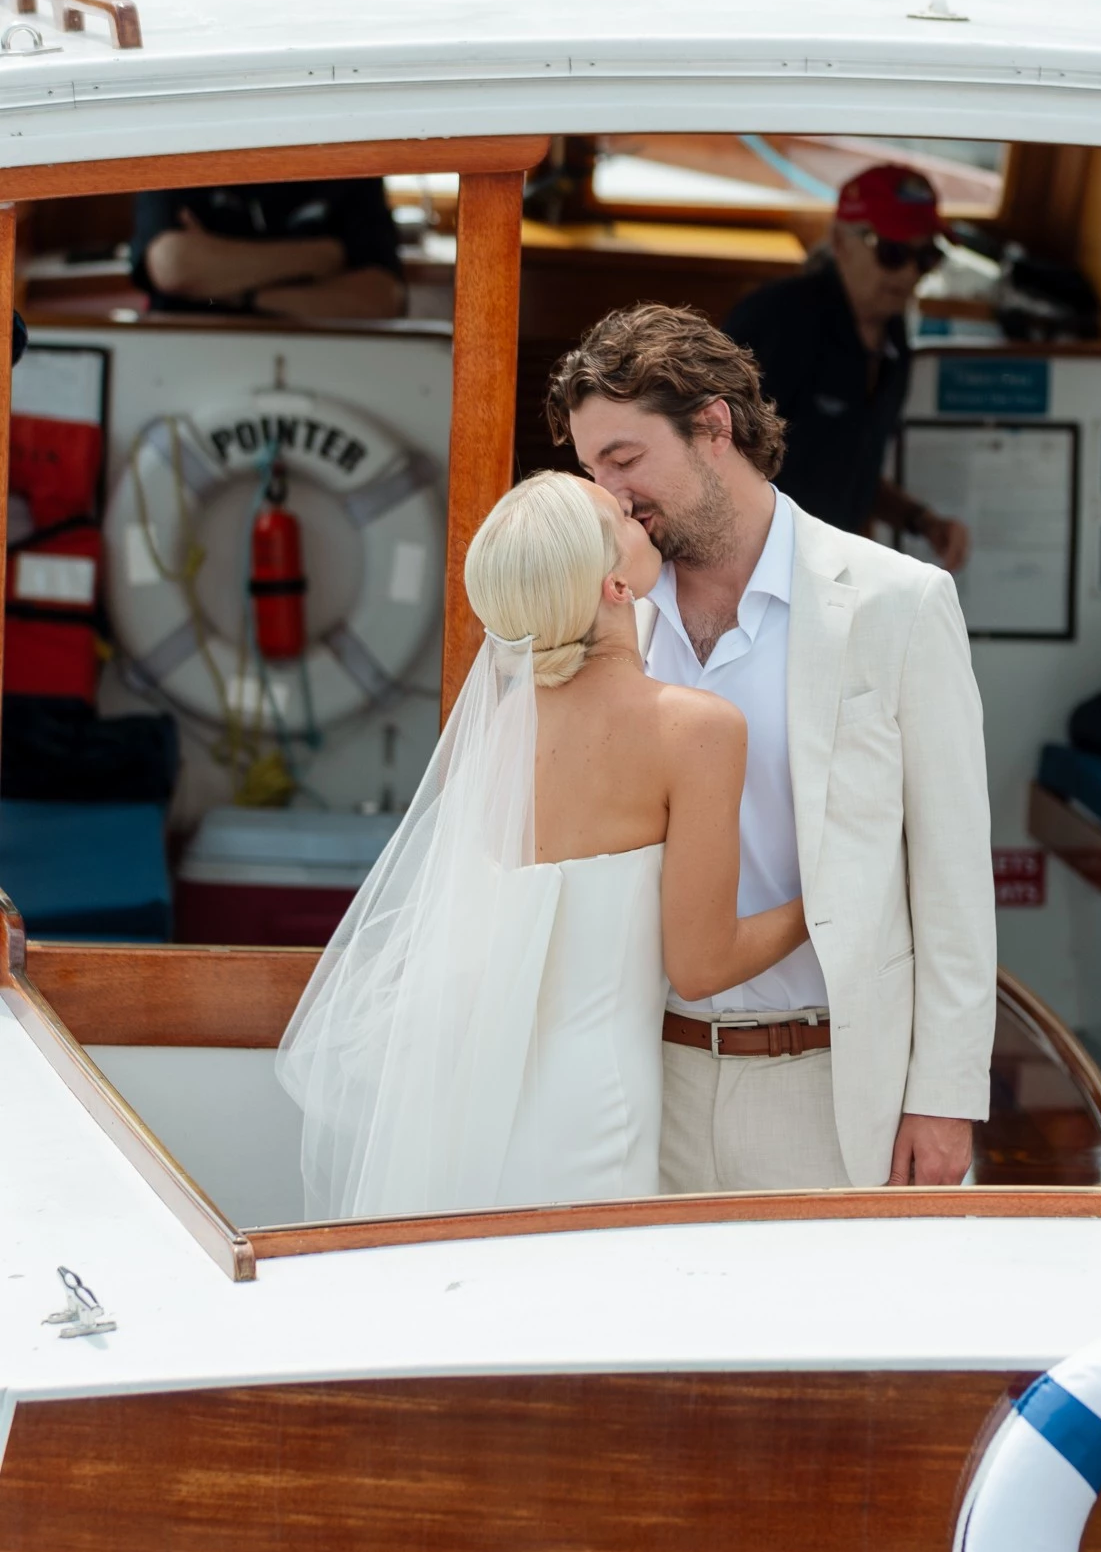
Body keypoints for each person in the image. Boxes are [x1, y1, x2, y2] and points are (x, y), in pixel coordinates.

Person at [275, 469, 809, 1222]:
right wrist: (826, 899)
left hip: (473, 1099)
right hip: (594, 1108)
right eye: (618, 517)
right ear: (616, 587)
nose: (634, 509)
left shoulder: (502, 729)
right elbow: (702, 965)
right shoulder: (693, 727)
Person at [551, 301, 996, 1194]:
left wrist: (945, 1098)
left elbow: (953, 870)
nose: (609, 495)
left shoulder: (898, 602)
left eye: (625, 458)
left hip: (831, 1088)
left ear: (714, 426)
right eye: (592, 468)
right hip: (639, 1080)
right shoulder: (599, 611)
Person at [725, 161, 971, 569]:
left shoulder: (893, 342)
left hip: (825, 571)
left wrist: (921, 521)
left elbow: (846, 466)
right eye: (891, 252)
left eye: (926, 257)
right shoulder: (774, 322)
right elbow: (708, 458)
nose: (910, 273)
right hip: (754, 569)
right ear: (840, 241)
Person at [132, 179, 407, 322]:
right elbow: (173, 265)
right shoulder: (183, 145)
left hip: (320, 360)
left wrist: (230, 290)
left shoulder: (349, 158)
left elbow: (382, 299)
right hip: (191, 356)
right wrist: (321, 256)